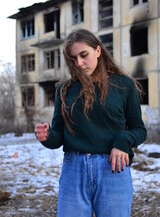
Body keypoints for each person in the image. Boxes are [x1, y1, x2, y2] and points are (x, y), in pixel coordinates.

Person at [35, 28, 147, 217]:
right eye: (73, 59)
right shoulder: (64, 89)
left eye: (83, 55)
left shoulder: (123, 85)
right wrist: (47, 136)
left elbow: (139, 130)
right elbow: (58, 136)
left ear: (98, 50)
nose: (79, 63)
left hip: (113, 169)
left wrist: (123, 141)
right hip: (74, 170)